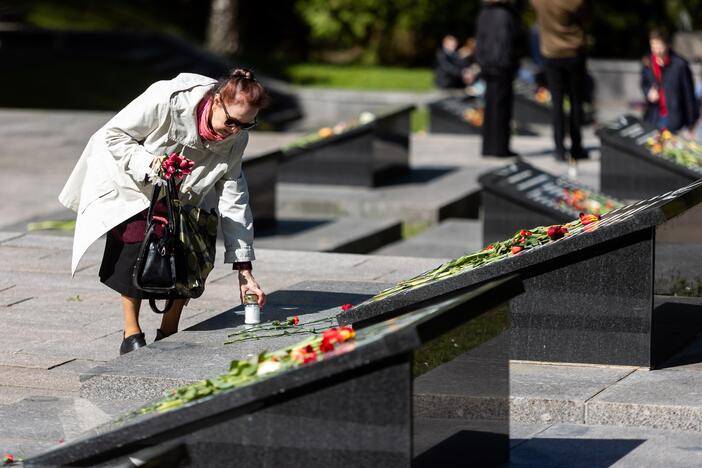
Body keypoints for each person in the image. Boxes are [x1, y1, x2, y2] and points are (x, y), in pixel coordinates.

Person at [59, 68, 268, 355]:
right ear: (217, 100)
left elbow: (235, 198)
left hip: (188, 195)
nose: (233, 131)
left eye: (245, 125)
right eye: (230, 121)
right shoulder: (167, 99)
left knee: (192, 252)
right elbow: (115, 135)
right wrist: (154, 164)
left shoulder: (236, 140)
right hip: (134, 181)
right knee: (135, 244)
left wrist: (244, 267)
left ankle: (169, 331)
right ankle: (131, 333)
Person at [531, 0, 590, 162]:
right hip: (573, 53)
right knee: (575, 102)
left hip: (551, 54)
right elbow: (585, 14)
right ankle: (576, 146)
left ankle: (559, 148)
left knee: (557, 103)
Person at [475, 0, 518, 157]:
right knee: (501, 108)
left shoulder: (485, 12)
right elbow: (505, 43)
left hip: (487, 65)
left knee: (490, 106)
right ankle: (500, 147)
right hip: (501, 66)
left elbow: (480, 40)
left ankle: (489, 146)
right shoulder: (505, 14)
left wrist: (481, 62)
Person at [641, 29, 699, 134]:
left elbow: (688, 94)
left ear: (667, 45)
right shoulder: (647, 63)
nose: (656, 51)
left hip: (674, 118)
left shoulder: (680, 65)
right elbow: (644, 84)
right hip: (653, 116)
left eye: (660, 47)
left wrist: (691, 121)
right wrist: (648, 93)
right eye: (653, 47)